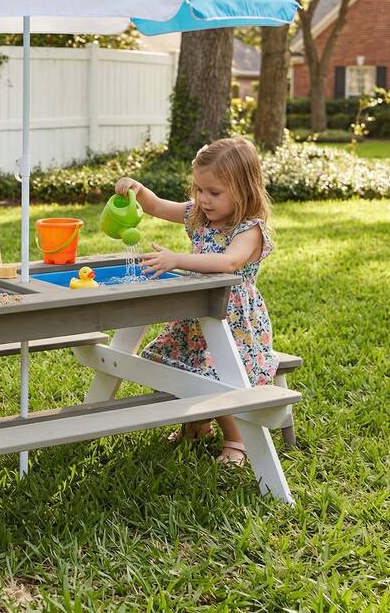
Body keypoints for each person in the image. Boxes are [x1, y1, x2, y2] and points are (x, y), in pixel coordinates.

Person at [115, 136, 277, 467]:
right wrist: (137, 190)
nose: (203, 199)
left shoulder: (249, 230)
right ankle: (198, 423)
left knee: (219, 373)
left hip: (232, 321)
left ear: (244, 190)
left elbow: (229, 262)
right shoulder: (198, 216)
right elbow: (157, 206)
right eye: (199, 189)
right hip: (196, 317)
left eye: (214, 192)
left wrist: (178, 260)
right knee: (174, 364)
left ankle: (237, 439)